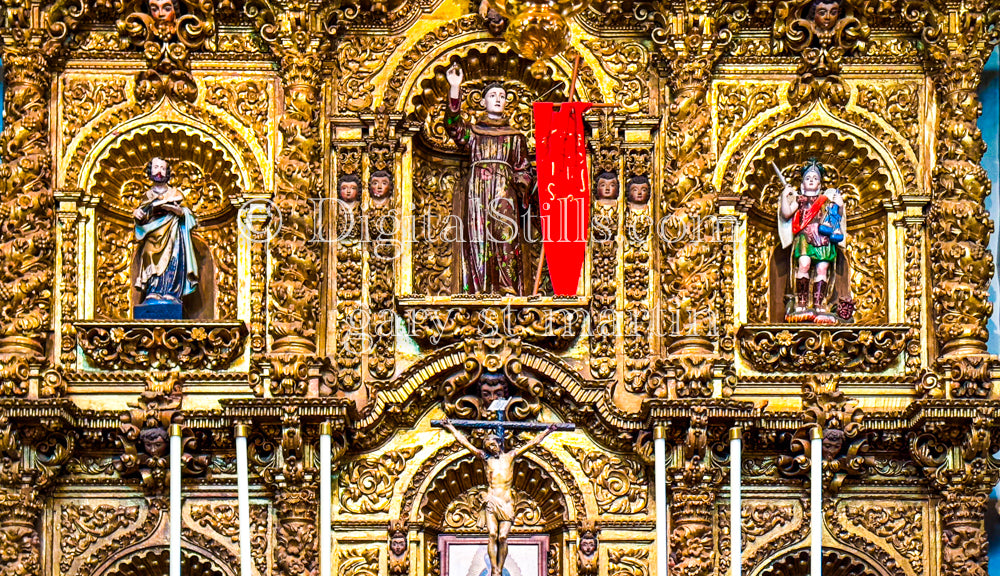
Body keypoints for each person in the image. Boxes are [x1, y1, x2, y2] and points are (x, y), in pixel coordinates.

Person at [445, 64, 533, 295]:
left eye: (502, 96)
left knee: (505, 236)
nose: (497, 99)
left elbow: (523, 168)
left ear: (506, 103)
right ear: (483, 101)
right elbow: (453, 126)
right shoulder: (474, 133)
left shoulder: (515, 137)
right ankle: (478, 289)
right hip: (478, 191)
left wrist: (522, 185)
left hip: (504, 190)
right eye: (492, 95)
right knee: (478, 239)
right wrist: (455, 88)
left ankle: (507, 288)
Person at [442, 422, 557, 576]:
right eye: (488, 446)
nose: (491, 448)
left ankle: (499, 568)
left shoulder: (511, 456)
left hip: (507, 503)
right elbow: (465, 443)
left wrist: (547, 431)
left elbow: (532, 443)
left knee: (503, 537)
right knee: (492, 534)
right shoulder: (485, 458)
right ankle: (495, 571)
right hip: (491, 500)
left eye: (493, 444)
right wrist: (450, 427)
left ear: (499, 443)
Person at [778, 159, 845, 323]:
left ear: (820, 184)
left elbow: (837, 216)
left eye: (815, 178)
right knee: (804, 264)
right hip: (805, 237)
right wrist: (784, 197)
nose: (811, 180)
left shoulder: (825, 200)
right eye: (808, 178)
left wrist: (840, 204)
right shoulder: (799, 200)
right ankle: (801, 302)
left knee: (822, 268)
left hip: (823, 236)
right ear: (802, 184)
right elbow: (786, 214)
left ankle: (818, 303)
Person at [133, 157, 198, 319]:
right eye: (156, 167)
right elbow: (142, 217)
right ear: (150, 171)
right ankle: (153, 292)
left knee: (173, 261)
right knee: (149, 255)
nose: (159, 171)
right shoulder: (147, 195)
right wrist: (137, 214)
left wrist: (175, 210)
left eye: (162, 168)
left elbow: (188, 215)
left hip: (172, 233)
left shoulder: (175, 193)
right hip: (152, 233)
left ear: (167, 172)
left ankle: (170, 293)